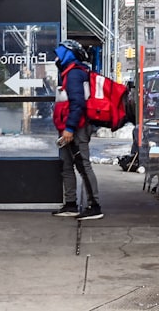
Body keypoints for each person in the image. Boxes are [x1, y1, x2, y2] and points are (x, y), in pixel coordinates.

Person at [51, 39, 102, 220]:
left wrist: (70, 128)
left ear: (68, 55)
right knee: (66, 165)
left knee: (83, 165)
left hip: (75, 128)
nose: (56, 57)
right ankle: (71, 204)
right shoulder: (69, 73)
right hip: (68, 128)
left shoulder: (73, 74)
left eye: (60, 54)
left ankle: (94, 206)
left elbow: (77, 103)